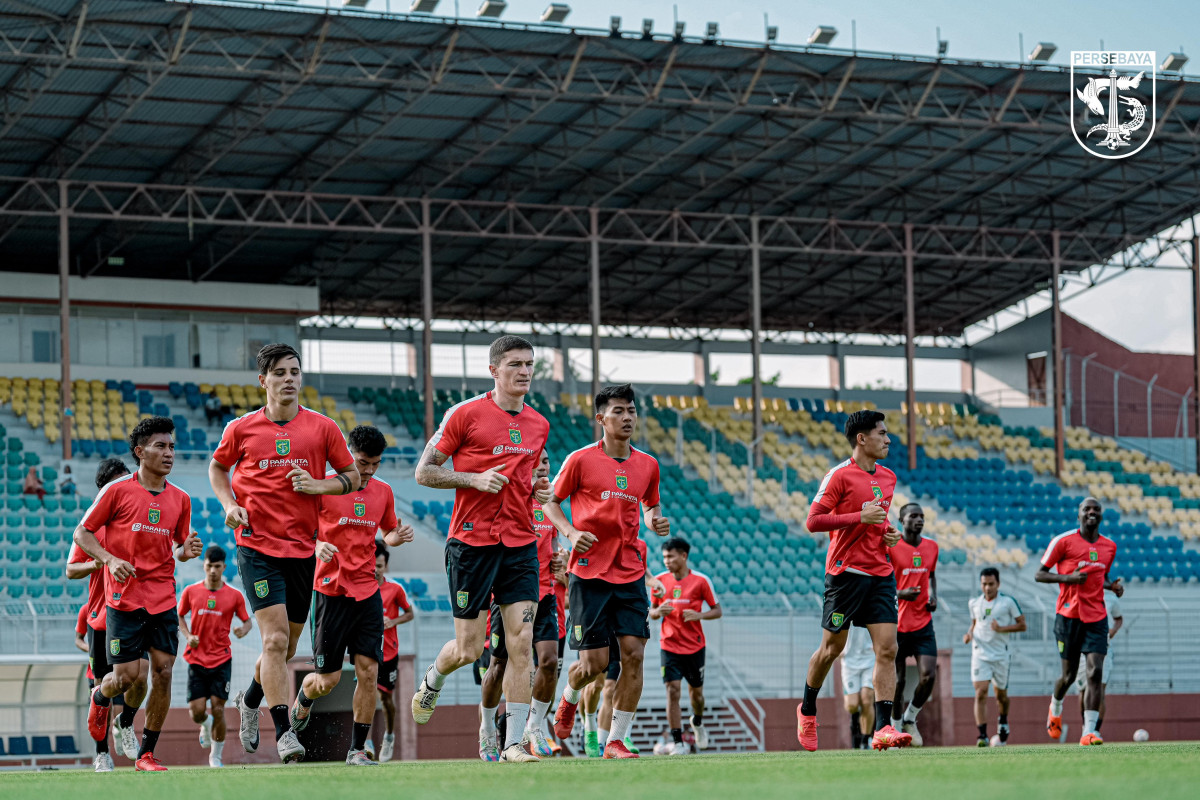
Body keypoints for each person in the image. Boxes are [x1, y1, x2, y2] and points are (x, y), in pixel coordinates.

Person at [211, 342, 360, 764]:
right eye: (280, 372)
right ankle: (284, 733)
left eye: (295, 371)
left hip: (303, 551)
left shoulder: (323, 428)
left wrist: (320, 486)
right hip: (256, 547)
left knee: (287, 646)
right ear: (263, 381)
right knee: (274, 639)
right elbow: (217, 468)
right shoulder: (241, 429)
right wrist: (229, 505)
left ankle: (251, 698)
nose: (289, 379)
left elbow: (350, 476)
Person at [411, 335, 550, 764]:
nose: (524, 371)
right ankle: (433, 679)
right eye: (514, 364)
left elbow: (526, 480)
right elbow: (423, 472)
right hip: (470, 544)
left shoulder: (539, 424)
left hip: (521, 544)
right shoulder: (465, 414)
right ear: (494, 370)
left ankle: (512, 743)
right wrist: (473, 479)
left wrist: (537, 488)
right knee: (470, 650)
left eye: (529, 364)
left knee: (520, 643)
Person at [547, 383, 670, 760]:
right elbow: (551, 501)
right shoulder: (580, 460)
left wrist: (654, 521)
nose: (628, 417)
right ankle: (568, 698)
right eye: (618, 411)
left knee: (634, 654)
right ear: (601, 418)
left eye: (631, 410)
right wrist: (570, 532)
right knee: (593, 665)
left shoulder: (648, 465)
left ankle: (615, 740)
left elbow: (650, 506)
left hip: (630, 571)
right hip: (588, 575)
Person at [75, 417, 203, 772]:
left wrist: (186, 550)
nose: (169, 453)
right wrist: (109, 559)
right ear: (140, 451)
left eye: (172, 446)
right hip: (123, 600)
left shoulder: (182, 499)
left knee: (163, 671)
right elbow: (82, 534)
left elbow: (178, 546)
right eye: (160, 446)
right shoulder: (116, 491)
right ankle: (100, 697)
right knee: (126, 678)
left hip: (163, 597)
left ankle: (146, 754)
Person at [289, 424, 414, 766]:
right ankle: (304, 696)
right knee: (327, 680)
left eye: (375, 464)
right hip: (330, 590)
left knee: (368, 672)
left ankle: (357, 750)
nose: (369, 470)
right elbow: (299, 532)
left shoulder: (384, 492)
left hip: (368, 592)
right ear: (346, 453)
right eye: (362, 462)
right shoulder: (323, 486)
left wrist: (395, 538)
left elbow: (387, 533)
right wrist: (317, 545)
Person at [796, 409, 911, 752]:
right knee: (833, 649)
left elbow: (877, 521)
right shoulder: (839, 476)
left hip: (880, 573)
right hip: (845, 574)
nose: (888, 439)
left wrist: (888, 533)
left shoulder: (888, 478)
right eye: (882, 433)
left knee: (888, 649)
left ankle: (884, 727)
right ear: (862, 439)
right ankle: (807, 709)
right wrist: (858, 516)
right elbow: (813, 521)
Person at [477, 452, 563, 761]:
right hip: (509, 597)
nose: (543, 465)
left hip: (544, 593)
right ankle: (487, 728)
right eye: (537, 460)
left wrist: (559, 559)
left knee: (550, 661)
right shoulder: (508, 496)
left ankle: (535, 727)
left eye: (547, 461)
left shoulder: (551, 499)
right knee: (499, 665)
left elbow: (554, 546)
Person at [66, 457, 139, 771]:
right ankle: (102, 753)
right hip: (101, 615)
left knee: (138, 677)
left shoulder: (137, 519)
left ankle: (127, 723)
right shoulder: (92, 527)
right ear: (105, 489)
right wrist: (98, 562)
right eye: (120, 482)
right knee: (102, 688)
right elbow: (70, 570)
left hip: (136, 611)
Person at [1036, 497, 1122, 746]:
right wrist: (1069, 578)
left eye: (1096, 509)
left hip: (1096, 617)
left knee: (1095, 672)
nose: (1092, 512)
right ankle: (1056, 705)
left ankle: (1089, 731)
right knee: (1069, 676)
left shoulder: (1109, 547)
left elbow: (1099, 577)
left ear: (1101, 516)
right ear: (1079, 515)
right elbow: (1039, 574)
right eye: (1087, 509)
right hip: (1068, 617)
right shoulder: (1063, 541)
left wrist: (1112, 586)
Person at [178, 545, 252, 768]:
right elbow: (180, 616)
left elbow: (247, 621)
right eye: (209, 566)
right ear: (204, 565)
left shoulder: (234, 596)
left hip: (221, 660)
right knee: (197, 712)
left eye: (217, 567)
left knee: (219, 708)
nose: (212, 571)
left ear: (223, 568)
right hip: (196, 659)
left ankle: (215, 757)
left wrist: (244, 629)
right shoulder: (190, 592)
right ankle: (205, 724)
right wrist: (188, 635)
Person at [649, 536, 721, 755]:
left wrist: (699, 615)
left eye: (670, 556)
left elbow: (717, 610)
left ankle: (697, 722)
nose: (666, 561)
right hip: (669, 645)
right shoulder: (659, 581)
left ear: (683, 556)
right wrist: (657, 612)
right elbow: (651, 612)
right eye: (664, 557)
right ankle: (678, 742)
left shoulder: (701, 581)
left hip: (694, 647)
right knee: (672, 691)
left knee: (696, 696)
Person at [890, 503, 939, 746]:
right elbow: (880, 583)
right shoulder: (891, 547)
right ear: (901, 520)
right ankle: (896, 727)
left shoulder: (931, 546)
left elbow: (930, 574)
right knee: (897, 682)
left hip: (923, 623)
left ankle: (910, 718)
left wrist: (934, 597)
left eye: (922, 515)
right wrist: (900, 594)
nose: (919, 520)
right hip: (895, 625)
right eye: (913, 516)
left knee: (929, 676)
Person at [964, 567, 1025, 747]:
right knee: (980, 691)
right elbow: (974, 623)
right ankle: (982, 735)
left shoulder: (1008, 602)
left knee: (1001, 696)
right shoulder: (974, 603)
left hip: (1000, 655)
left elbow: (1022, 625)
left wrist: (1002, 629)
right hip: (980, 654)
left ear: (998, 584)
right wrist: (968, 635)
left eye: (991, 584)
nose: (988, 588)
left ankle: (1003, 720)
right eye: (984, 584)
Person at [375, 543, 414, 762]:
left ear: (386, 565)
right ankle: (363, 742)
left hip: (389, 652)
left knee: (385, 698)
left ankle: (389, 735)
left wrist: (392, 622)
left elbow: (409, 614)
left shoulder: (395, 590)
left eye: (380, 565)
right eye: (373, 564)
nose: (376, 569)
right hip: (366, 650)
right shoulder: (362, 588)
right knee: (364, 694)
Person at [1075, 593, 1122, 734]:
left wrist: (1113, 630)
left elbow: (1118, 618)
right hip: (1081, 648)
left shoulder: (1110, 598)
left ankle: (1094, 730)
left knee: (1099, 689)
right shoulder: (1078, 592)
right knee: (1083, 691)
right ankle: (1086, 727)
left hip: (1103, 648)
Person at [840, 625, 876, 750]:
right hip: (849, 662)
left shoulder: (873, 606)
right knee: (852, 705)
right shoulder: (845, 606)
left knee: (867, 700)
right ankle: (855, 721)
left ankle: (865, 741)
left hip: (870, 659)